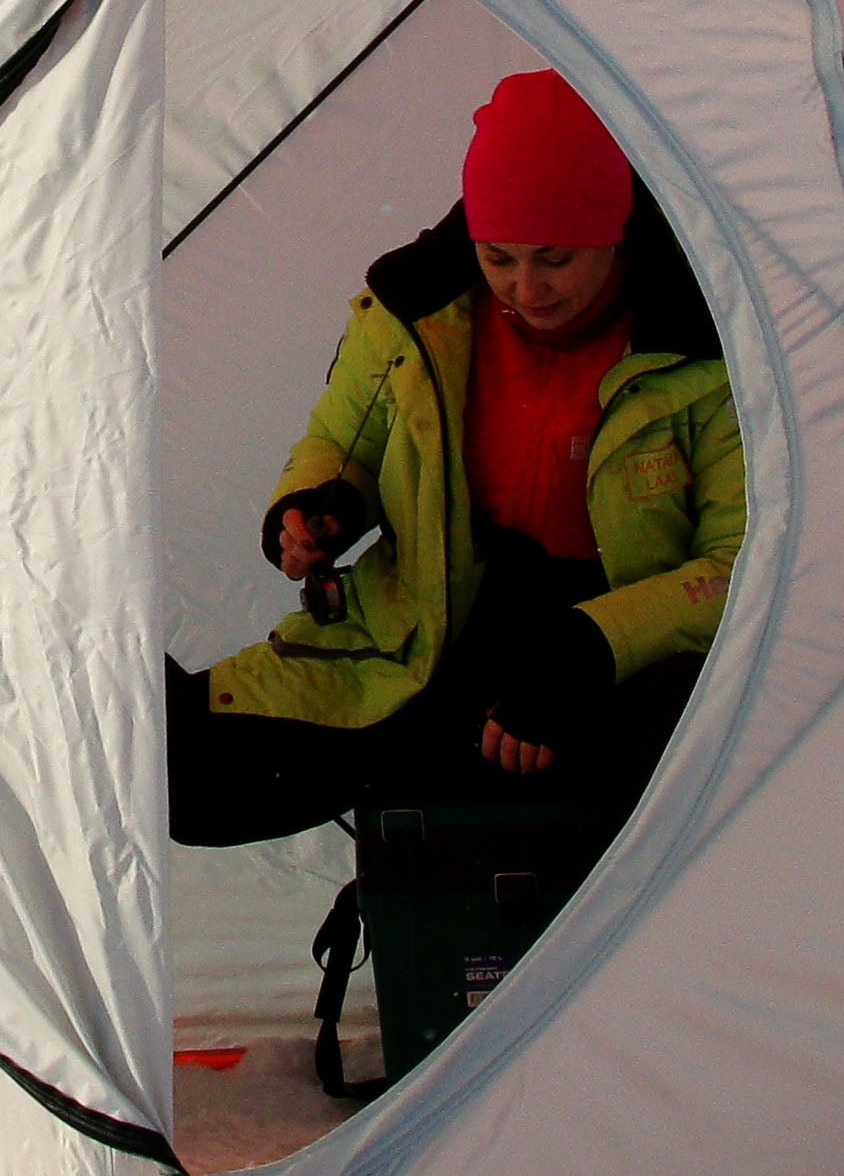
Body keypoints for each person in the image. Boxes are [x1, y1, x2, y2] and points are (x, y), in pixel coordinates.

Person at [171, 70, 743, 847]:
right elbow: (346, 439)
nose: (526, 288)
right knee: (184, 776)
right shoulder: (419, 316)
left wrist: (590, 648)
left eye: (556, 258)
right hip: (441, 620)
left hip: (614, 644)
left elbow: (738, 563)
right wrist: (317, 506)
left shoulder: (708, 349)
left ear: (613, 235)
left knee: (655, 809)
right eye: (499, 256)